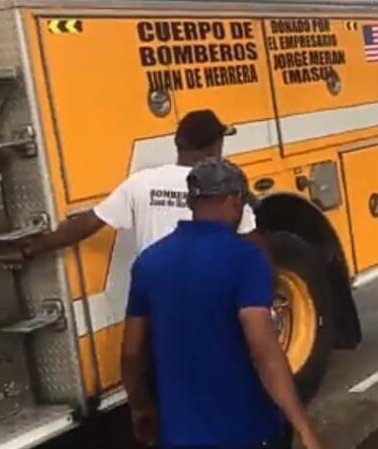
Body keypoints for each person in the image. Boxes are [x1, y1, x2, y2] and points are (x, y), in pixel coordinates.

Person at [121, 158, 322, 449]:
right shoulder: (247, 259)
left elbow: (131, 353)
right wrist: (304, 428)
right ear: (234, 201)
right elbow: (263, 351)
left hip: (178, 437)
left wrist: (140, 406)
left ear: (191, 202)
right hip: (246, 433)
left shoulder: (148, 262)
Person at [0, 109, 256, 269]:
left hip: (160, 298)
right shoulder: (227, 192)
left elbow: (87, 223)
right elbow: (254, 249)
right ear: (215, 146)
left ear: (178, 143)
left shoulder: (142, 183)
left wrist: (30, 250)